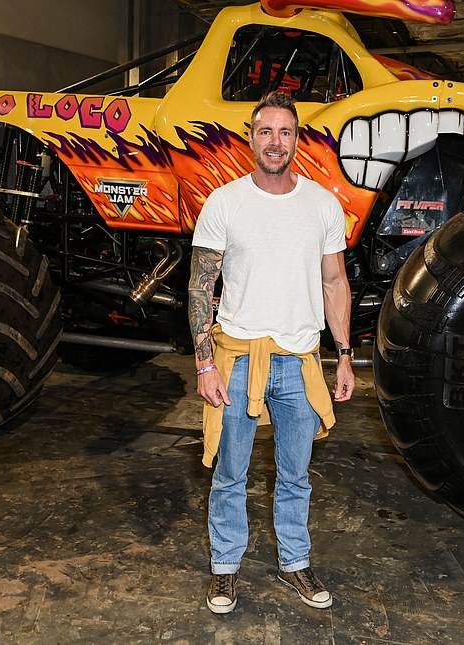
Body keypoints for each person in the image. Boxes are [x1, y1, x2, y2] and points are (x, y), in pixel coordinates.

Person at [188, 90, 355, 614]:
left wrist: (345, 353)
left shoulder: (323, 205)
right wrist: (204, 363)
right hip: (236, 362)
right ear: (251, 138)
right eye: (266, 132)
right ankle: (224, 570)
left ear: (297, 139)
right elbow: (199, 288)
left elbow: (334, 282)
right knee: (230, 473)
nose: (275, 142)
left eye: (285, 132)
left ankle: (294, 563)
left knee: (296, 474)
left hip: (300, 362)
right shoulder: (225, 203)